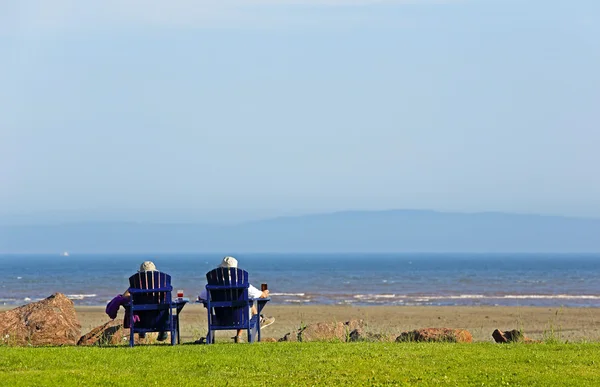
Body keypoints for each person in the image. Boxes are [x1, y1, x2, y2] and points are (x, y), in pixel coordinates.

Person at [198, 256, 275, 343]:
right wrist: (265, 292)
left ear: (221, 269)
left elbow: (201, 297)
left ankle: (211, 339)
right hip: (240, 318)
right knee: (246, 302)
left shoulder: (213, 284)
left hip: (221, 318)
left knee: (243, 302)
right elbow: (260, 295)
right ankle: (248, 329)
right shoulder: (241, 282)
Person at [106, 260, 168, 341]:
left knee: (136, 307)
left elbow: (124, 296)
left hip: (141, 320)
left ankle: (142, 331)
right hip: (159, 318)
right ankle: (162, 331)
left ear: (140, 273)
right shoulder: (161, 284)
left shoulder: (137, 284)